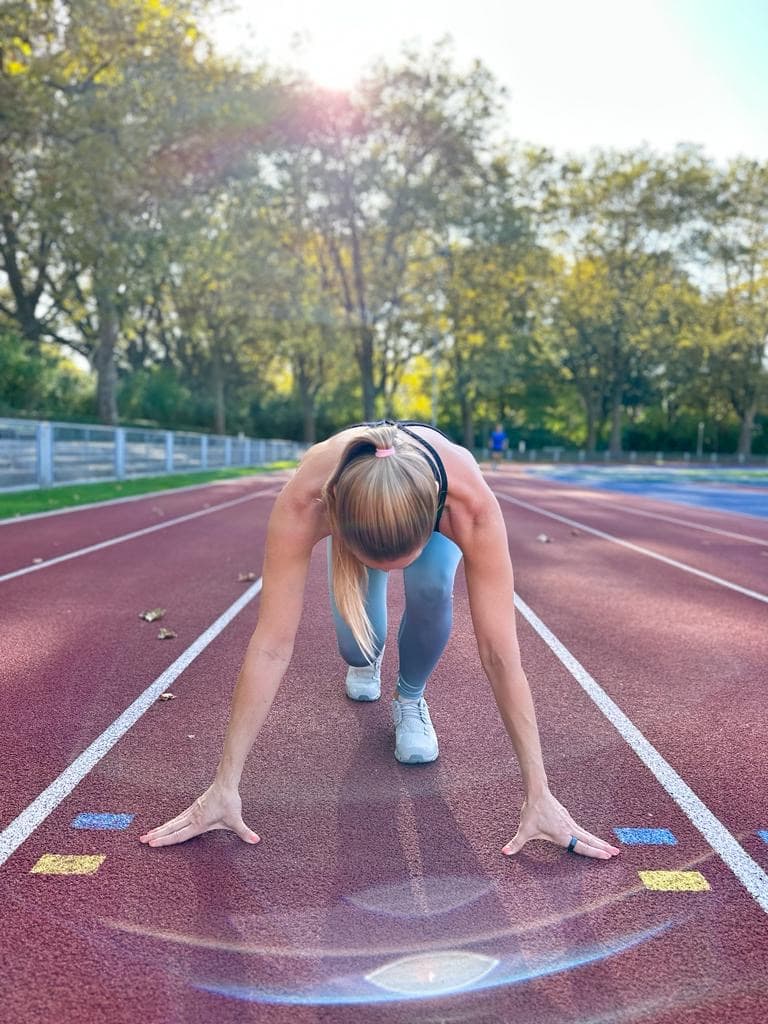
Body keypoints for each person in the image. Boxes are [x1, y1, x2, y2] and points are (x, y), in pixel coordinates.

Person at [140, 421, 620, 860]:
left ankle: (409, 697)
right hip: (355, 507)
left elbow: (499, 652)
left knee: (432, 588)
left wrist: (539, 792)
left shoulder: (468, 505)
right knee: (357, 645)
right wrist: (224, 785)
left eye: (401, 562)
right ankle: (365, 660)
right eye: (380, 564)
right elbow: (271, 645)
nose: (395, 575)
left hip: (430, 499)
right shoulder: (306, 501)